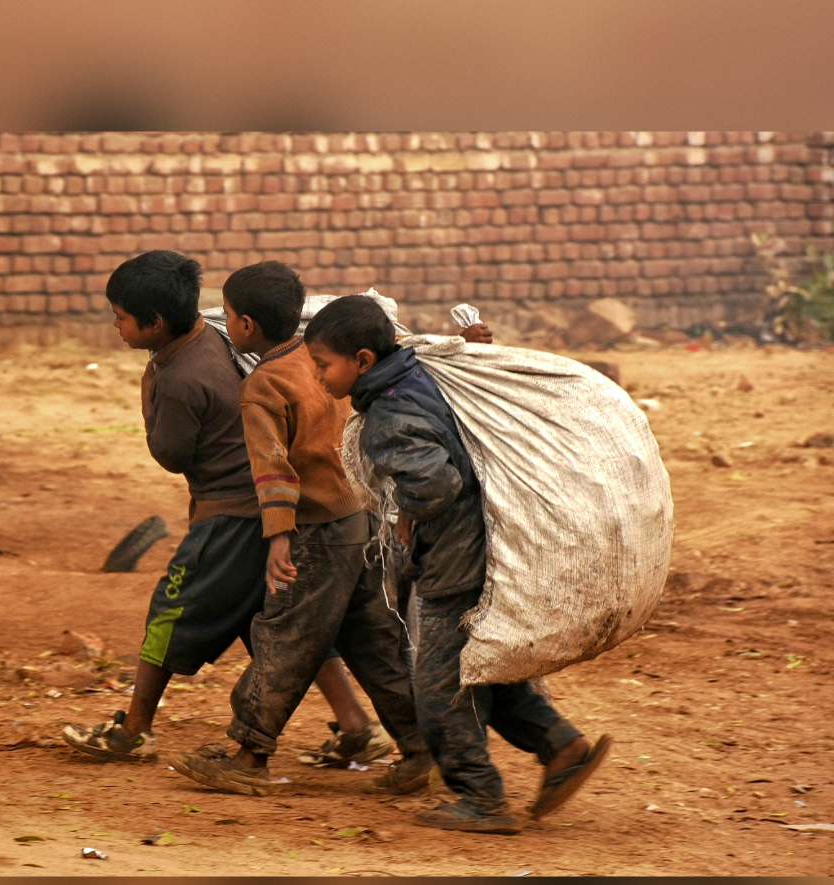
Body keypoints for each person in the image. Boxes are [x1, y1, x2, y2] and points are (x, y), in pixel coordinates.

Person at [62, 250, 392, 765]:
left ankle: (133, 730)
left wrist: (148, 389)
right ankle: (356, 726)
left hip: (232, 517)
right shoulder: (216, 334)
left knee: (169, 611)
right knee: (271, 616)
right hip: (269, 511)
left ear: (154, 323)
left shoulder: (176, 378)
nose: (115, 325)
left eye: (121, 317)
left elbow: (171, 455)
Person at [302, 294, 612, 834]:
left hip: (456, 560)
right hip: (489, 548)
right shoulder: (419, 372)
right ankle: (562, 746)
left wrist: (406, 514)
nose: (318, 377)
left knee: (440, 685)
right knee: (478, 668)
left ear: (363, 361)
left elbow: (435, 483)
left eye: (324, 365)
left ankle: (479, 796)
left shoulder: (389, 413)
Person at [169, 262, 434, 796]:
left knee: (285, 636)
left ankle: (248, 755)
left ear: (242, 326)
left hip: (318, 532)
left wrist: (278, 538)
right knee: (374, 642)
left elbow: (274, 470)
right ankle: (421, 748)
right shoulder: (323, 363)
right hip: (361, 521)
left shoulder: (265, 384)